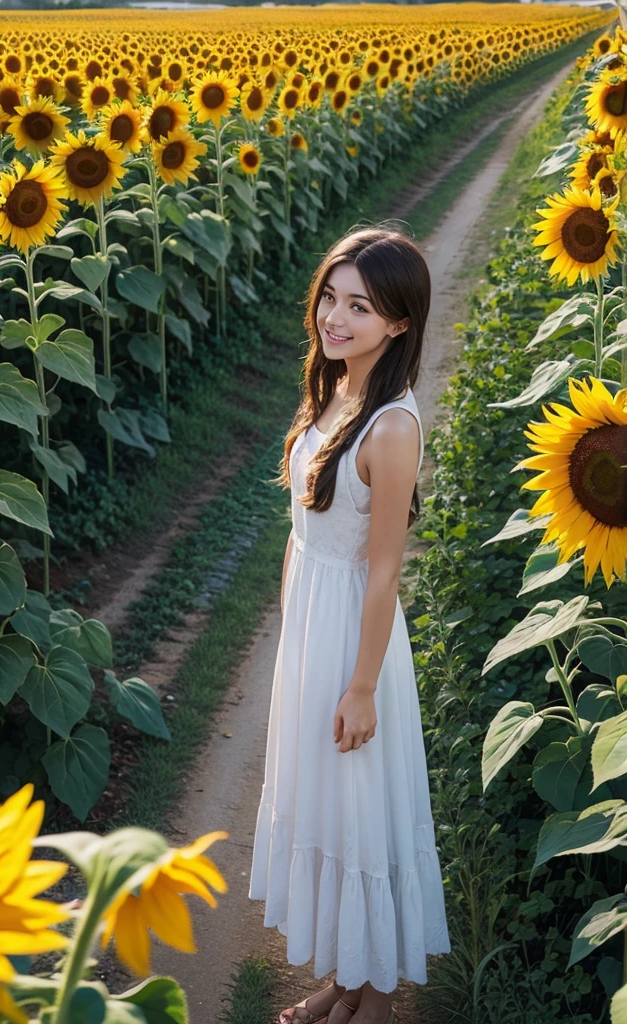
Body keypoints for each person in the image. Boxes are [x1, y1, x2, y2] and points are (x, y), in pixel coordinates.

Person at [248, 225, 451, 1024]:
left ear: (398, 322)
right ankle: (347, 979)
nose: (334, 318)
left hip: (353, 640)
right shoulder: (334, 388)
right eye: (330, 297)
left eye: (359, 307)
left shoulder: (393, 427)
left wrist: (362, 686)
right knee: (326, 801)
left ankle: (373, 1001)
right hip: (311, 625)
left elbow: (383, 568)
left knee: (359, 808)